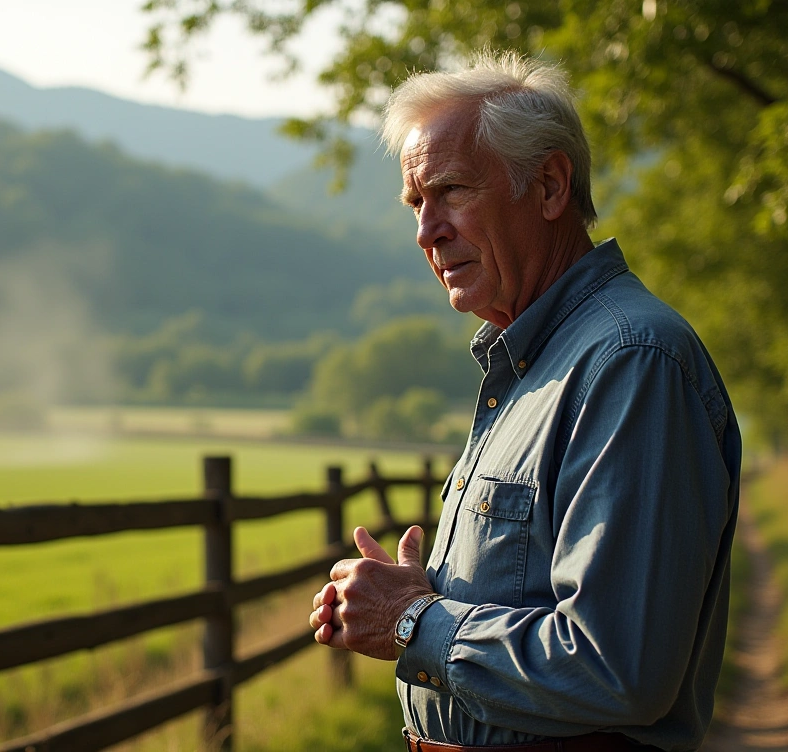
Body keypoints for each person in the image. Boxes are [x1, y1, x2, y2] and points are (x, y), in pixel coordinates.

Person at [308, 52, 741, 752]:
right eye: (416, 203)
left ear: (548, 186)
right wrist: (421, 599)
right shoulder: (537, 362)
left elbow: (617, 667)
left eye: (451, 191)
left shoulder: (630, 362)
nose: (426, 230)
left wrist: (413, 621)